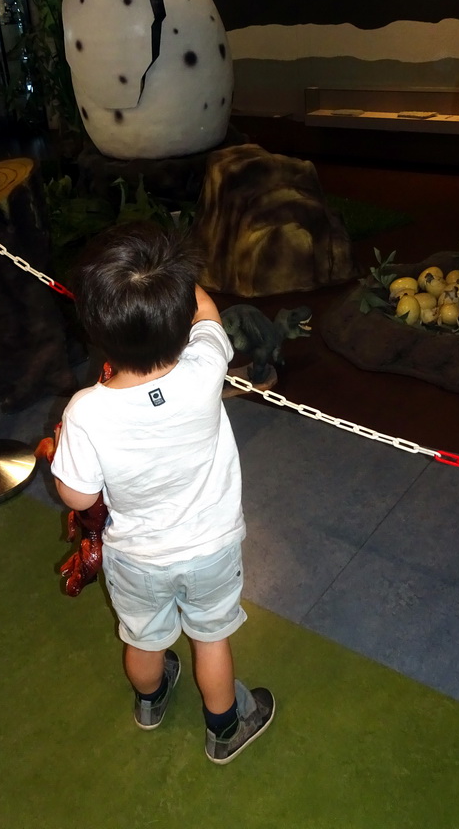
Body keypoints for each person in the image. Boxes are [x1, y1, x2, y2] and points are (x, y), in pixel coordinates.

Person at [51, 220, 275, 764]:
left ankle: (150, 701)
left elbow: (77, 498)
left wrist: (63, 450)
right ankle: (223, 729)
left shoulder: (86, 411)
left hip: (137, 559)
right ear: (180, 315)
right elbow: (207, 316)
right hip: (211, 549)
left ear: (95, 326)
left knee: (144, 639)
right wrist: (178, 280)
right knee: (210, 639)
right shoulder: (204, 370)